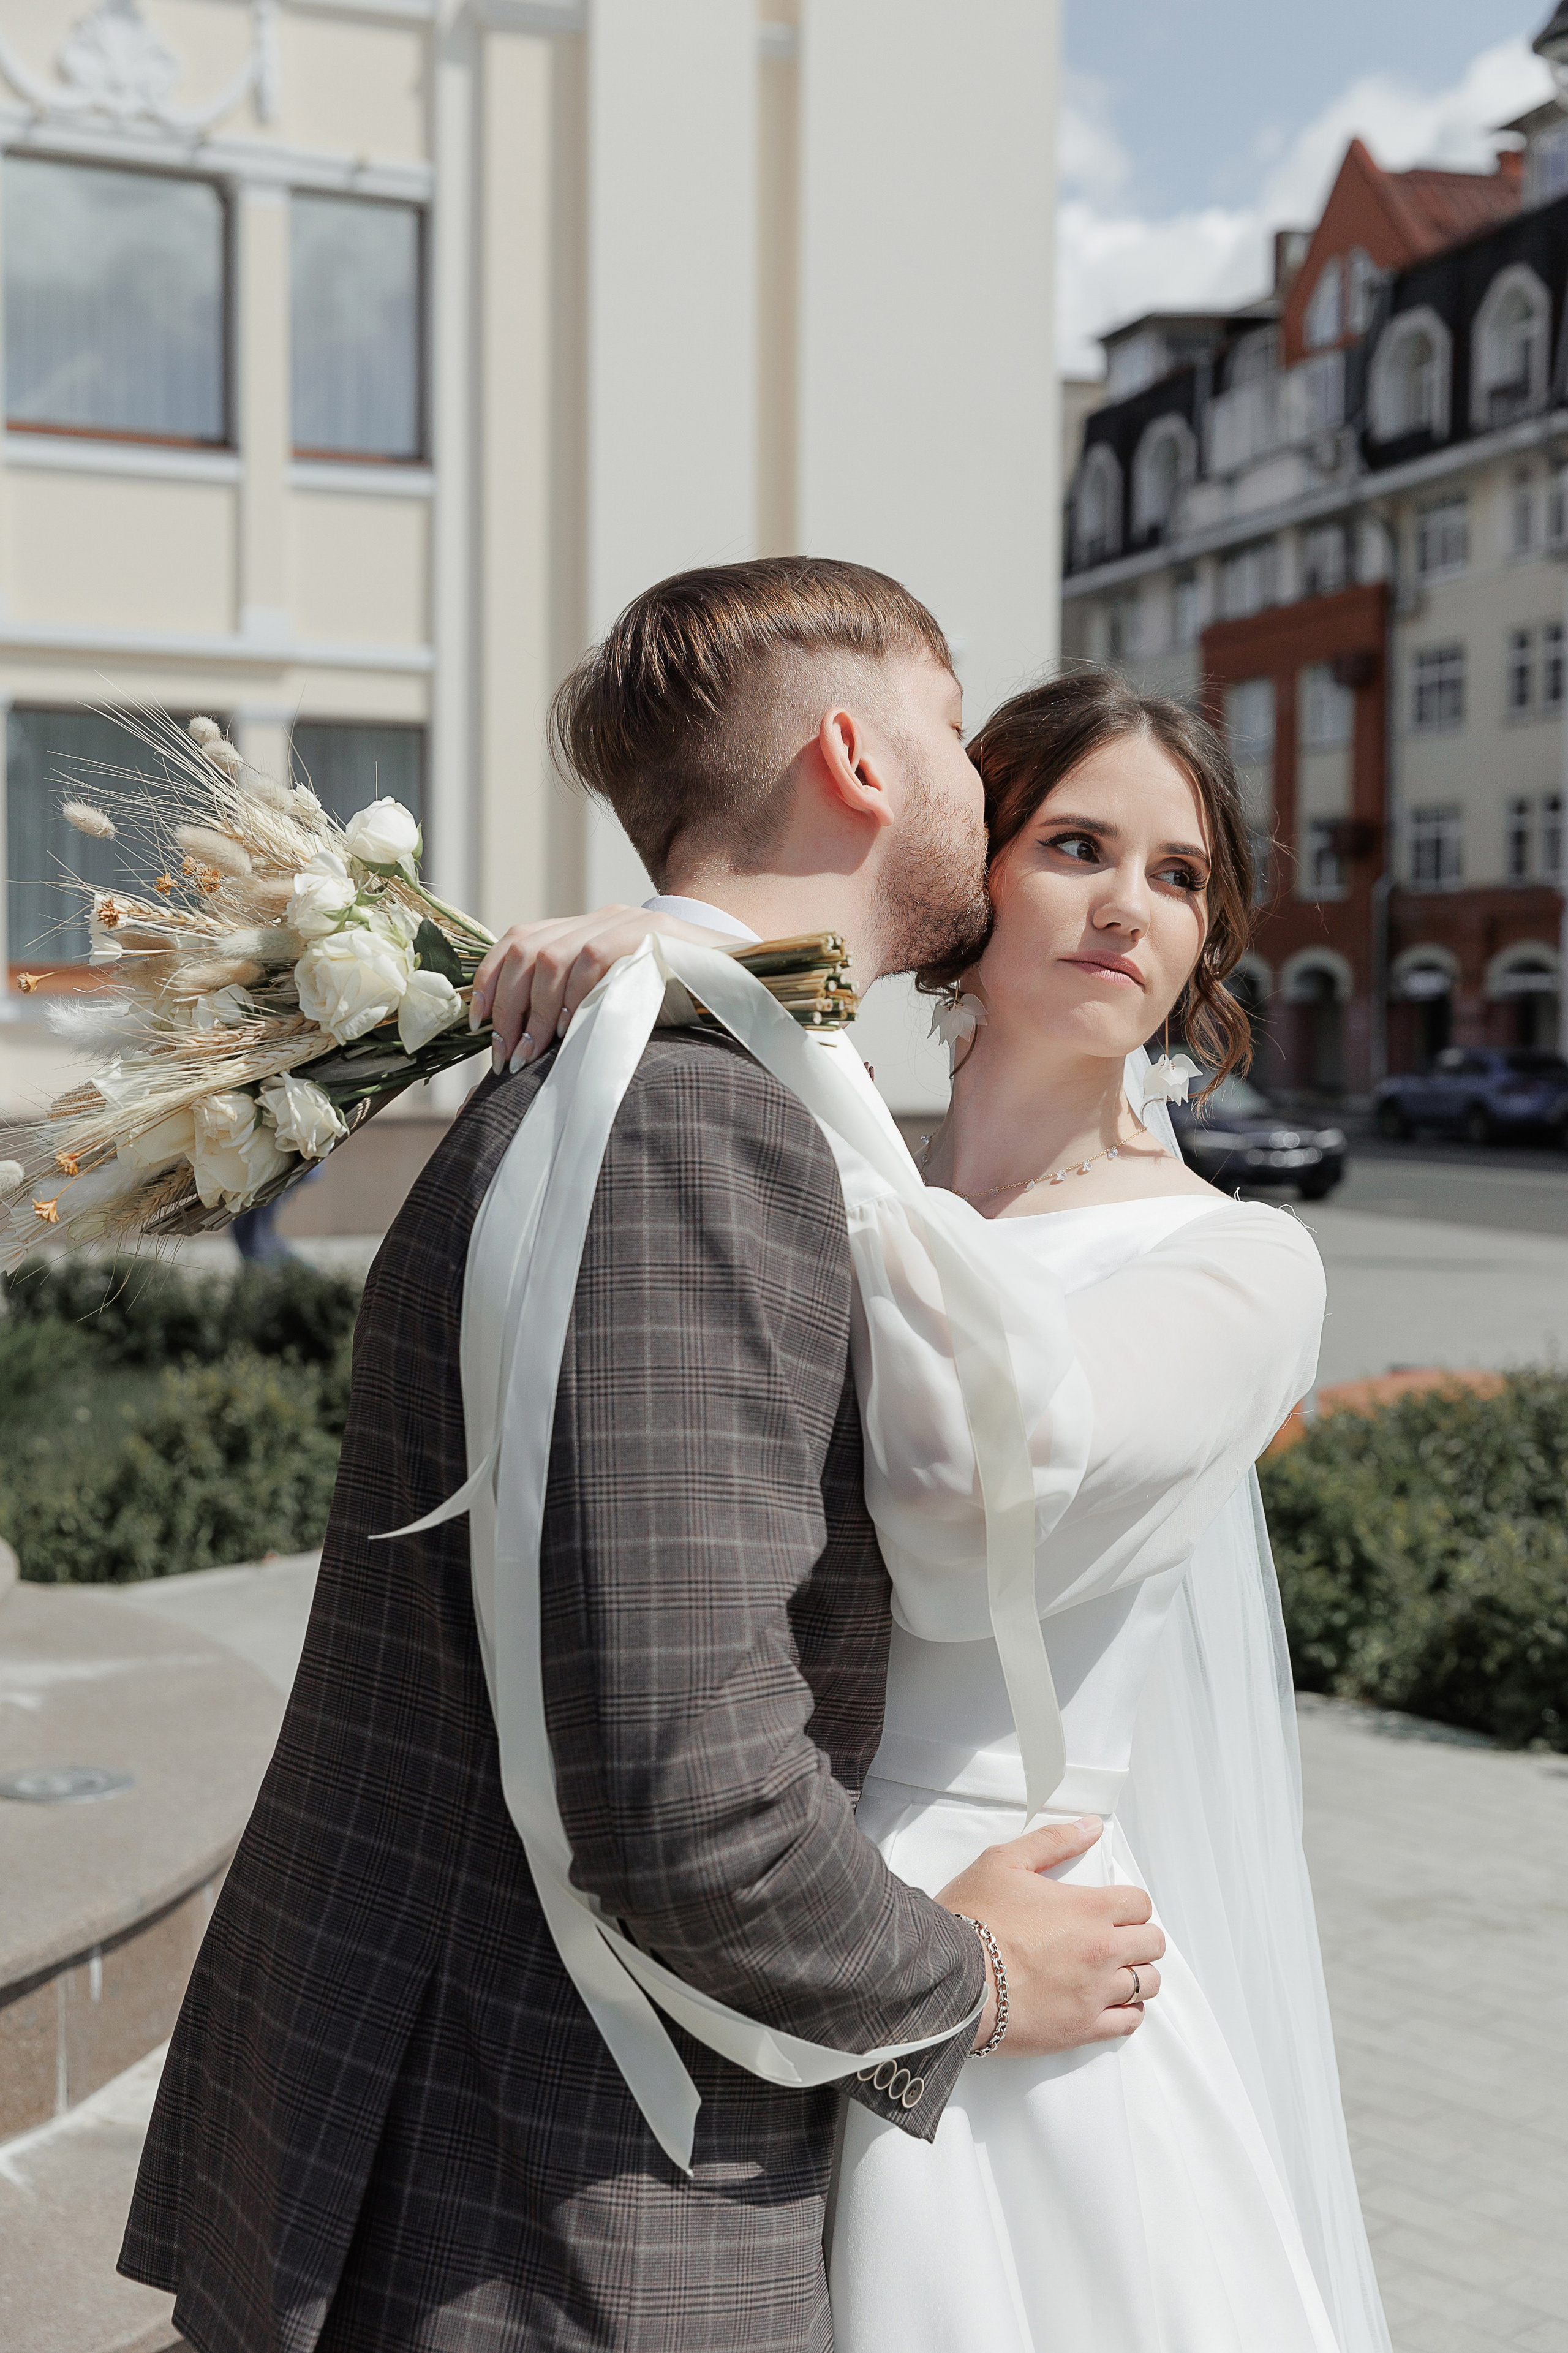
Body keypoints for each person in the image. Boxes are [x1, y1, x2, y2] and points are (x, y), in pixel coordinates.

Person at [119, 561, 1167, 2353]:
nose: (980, 785)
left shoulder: (626, 1061)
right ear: (852, 752)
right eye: (947, 722)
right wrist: (973, 1975)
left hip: (442, 2119)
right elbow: (690, 1793)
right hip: (547, 2193)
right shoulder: (694, 1121)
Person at [473, 667, 1391, 2350]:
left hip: (1021, 1956)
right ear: (976, 884)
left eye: (1180, 875)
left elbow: (979, 1513)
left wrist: (715, 987)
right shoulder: (799, 1153)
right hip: (749, 1904)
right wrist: (661, 1013)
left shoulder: (1246, 1261)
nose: (1130, 903)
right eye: (1077, 844)